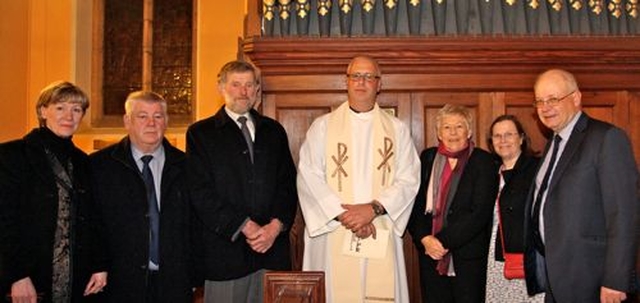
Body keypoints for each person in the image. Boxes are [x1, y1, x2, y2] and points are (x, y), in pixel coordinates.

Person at [297, 55, 420, 303]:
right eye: (356, 76)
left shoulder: (396, 129)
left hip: (380, 226)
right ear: (346, 81)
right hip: (334, 230)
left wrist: (372, 209)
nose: (361, 82)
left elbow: (409, 179)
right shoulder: (323, 127)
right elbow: (309, 176)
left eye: (368, 77)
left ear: (379, 84)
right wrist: (347, 216)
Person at [186, 60, 297, 303]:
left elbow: (287, 184)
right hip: (226, 252)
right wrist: (245, 226)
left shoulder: (274, 131)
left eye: (249, 85)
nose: (243, 91)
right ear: (221, 87)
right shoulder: (201, 134)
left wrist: (275, 227)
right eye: (236, 84)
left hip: (271, 251)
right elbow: (200, 193)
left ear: (257, 89)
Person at [524, 69, 639, 302]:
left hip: (591, 279)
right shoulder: (552, 144)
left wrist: (615, 280)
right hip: (556, 278)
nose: (545, 107)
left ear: (576, 98)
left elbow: (624, 214)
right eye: (540, 101)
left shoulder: (606, 138)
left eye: (553, 99)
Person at [0, 81, 107, 302]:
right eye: (60, 107)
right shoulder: (11, 156)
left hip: (76, 279)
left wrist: (99, 265)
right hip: (28, 279)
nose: (69, 115)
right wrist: (17, 275)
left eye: (76, 109)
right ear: (43, 111)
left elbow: (95, 219)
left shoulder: (84, 162)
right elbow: (4, 221)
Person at [90, 91, 194, 302]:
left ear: (166, 122)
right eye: (142, 116)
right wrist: (97, 265)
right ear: (127, 121)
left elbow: (195, 225)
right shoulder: (99, 166)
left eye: (158, 116)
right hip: (119, 283)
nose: (151, 123)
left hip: (174, 282)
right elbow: (92, 224)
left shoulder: (188, 166)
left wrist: (194, 274)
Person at [407, 104, 498, 303]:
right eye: (447, 127)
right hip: (430, 255)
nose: (453, 133)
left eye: (459, 126)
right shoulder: (428, 158)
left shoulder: (484, 161)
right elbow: (415, 204)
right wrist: (424, 239)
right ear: (439, 133)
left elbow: (479, 213)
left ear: (469, 131)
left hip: (467, 258)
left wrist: (442, 241)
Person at [485, 115, 543, 302]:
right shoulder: (490, 172)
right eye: (497, 136)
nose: (503, 140)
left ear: (521, 138)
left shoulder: (536, 169)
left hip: (527, 256)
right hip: (497, 256)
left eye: (509, 134)